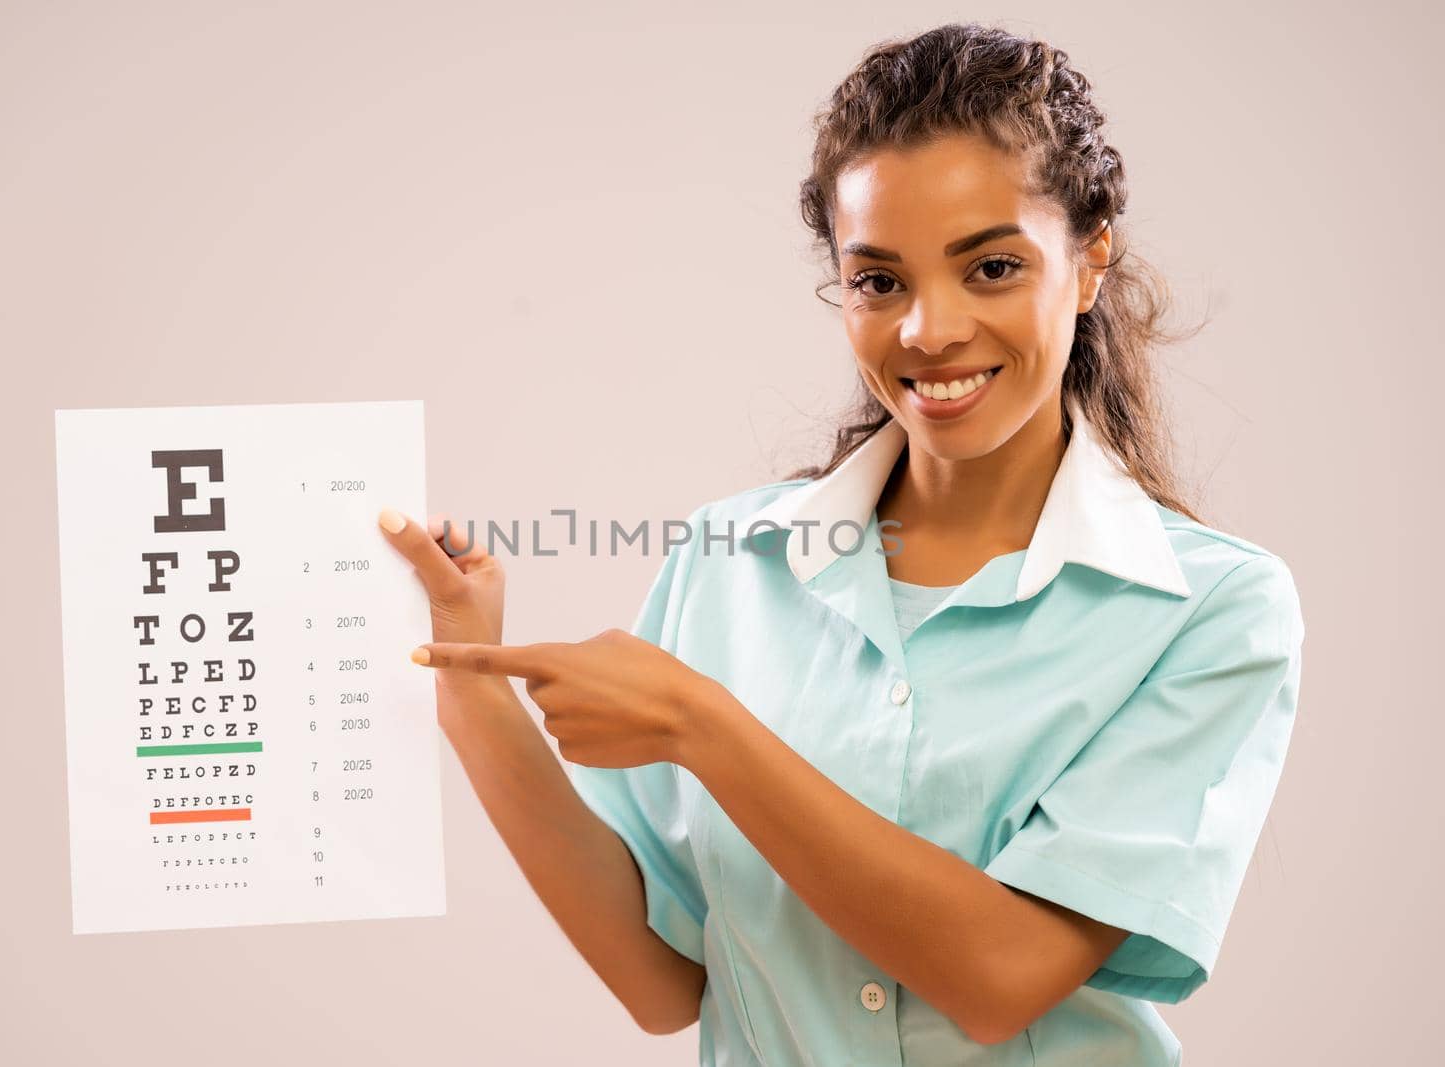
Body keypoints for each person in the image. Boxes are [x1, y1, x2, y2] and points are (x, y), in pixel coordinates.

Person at [376, 22, 1304, 1066]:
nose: (927, 330)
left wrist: (700, 724)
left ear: (1087, 263)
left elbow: (1000, 975)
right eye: (878, 281)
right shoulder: (728, 556)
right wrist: (469, 678)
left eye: (991, 266)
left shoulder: (1209, 606)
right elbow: (656, 978)